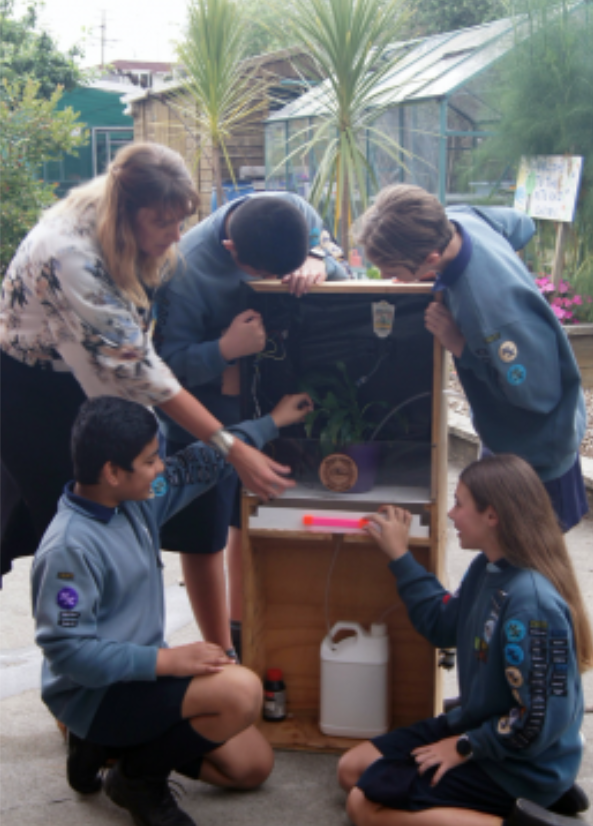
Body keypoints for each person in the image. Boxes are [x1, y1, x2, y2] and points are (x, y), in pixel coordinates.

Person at [0, 142, 295, 580]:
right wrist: (233, 448)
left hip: (90, 380)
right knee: (74, 528)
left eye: (181, 221)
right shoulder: (70, 256)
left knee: (118, 519)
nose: (177, 236)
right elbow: (145, 373)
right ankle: (79, 639)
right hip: (36, 393)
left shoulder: (126, 202)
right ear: (124, 212)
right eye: (163, 223)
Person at [31, 391, 312, 826]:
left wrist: (270, 423)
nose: (161, 468)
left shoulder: (134, 500)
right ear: (112, 471)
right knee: (241, 692)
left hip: (138, 679)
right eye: (149, 460)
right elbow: (70, 655)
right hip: (95, 693)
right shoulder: (70, 548)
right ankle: (137, 778)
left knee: (252, 766)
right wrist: (167, 661)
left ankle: (108, 750)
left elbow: (200, 462)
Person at [338, 454, 593, 826]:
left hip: (517, 763)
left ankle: (531, 816)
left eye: (459, 503)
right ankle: (532, 809)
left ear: (492, 515)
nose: (451, 514)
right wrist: (400, 556)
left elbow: (537, 722)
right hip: (479, 727)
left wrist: (464, 747)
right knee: (352, 770)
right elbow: (443, 624)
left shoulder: (531, 606)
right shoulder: (487, 568)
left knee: (365, 808)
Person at [153, 192, 351, 657]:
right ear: (230, 249)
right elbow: (165, 369)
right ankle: (221, 652)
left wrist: (320, 258)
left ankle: (247, 630)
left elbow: (328, 248)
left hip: (275, 406)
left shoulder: (289, 209)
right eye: (260, 277)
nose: (270, 284)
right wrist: (224, 349)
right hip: (204, 420)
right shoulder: (183, 274)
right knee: (204, 536)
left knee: (255, 519)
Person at [356, 185, 588, 532]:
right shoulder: (460, 220)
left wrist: (460, 345)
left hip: (536, 455)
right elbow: (520, 224)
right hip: (506, 437)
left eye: (393, 269)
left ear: (431, 258)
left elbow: (538, 394)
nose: (389, 278)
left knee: (528, 556)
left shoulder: (489, 313)